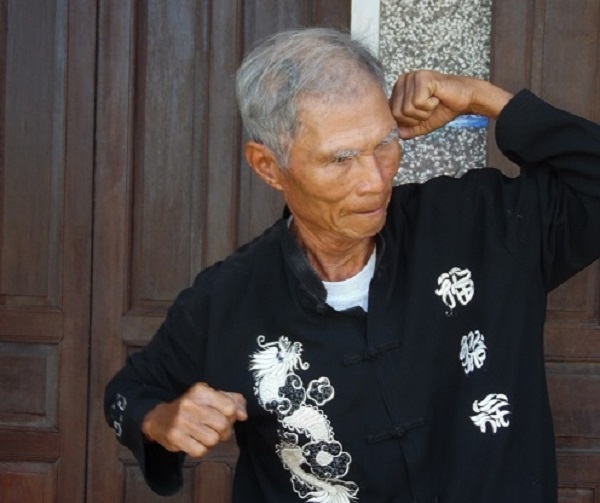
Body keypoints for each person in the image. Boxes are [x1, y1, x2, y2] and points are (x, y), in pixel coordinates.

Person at [104, 27, 600, 503]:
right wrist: (158, 419)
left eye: (384, 143)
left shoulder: (479, 226)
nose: (375, 181)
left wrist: (483, 98)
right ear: (268, 167)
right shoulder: (229, 299)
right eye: (341, 159)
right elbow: (127, 394)